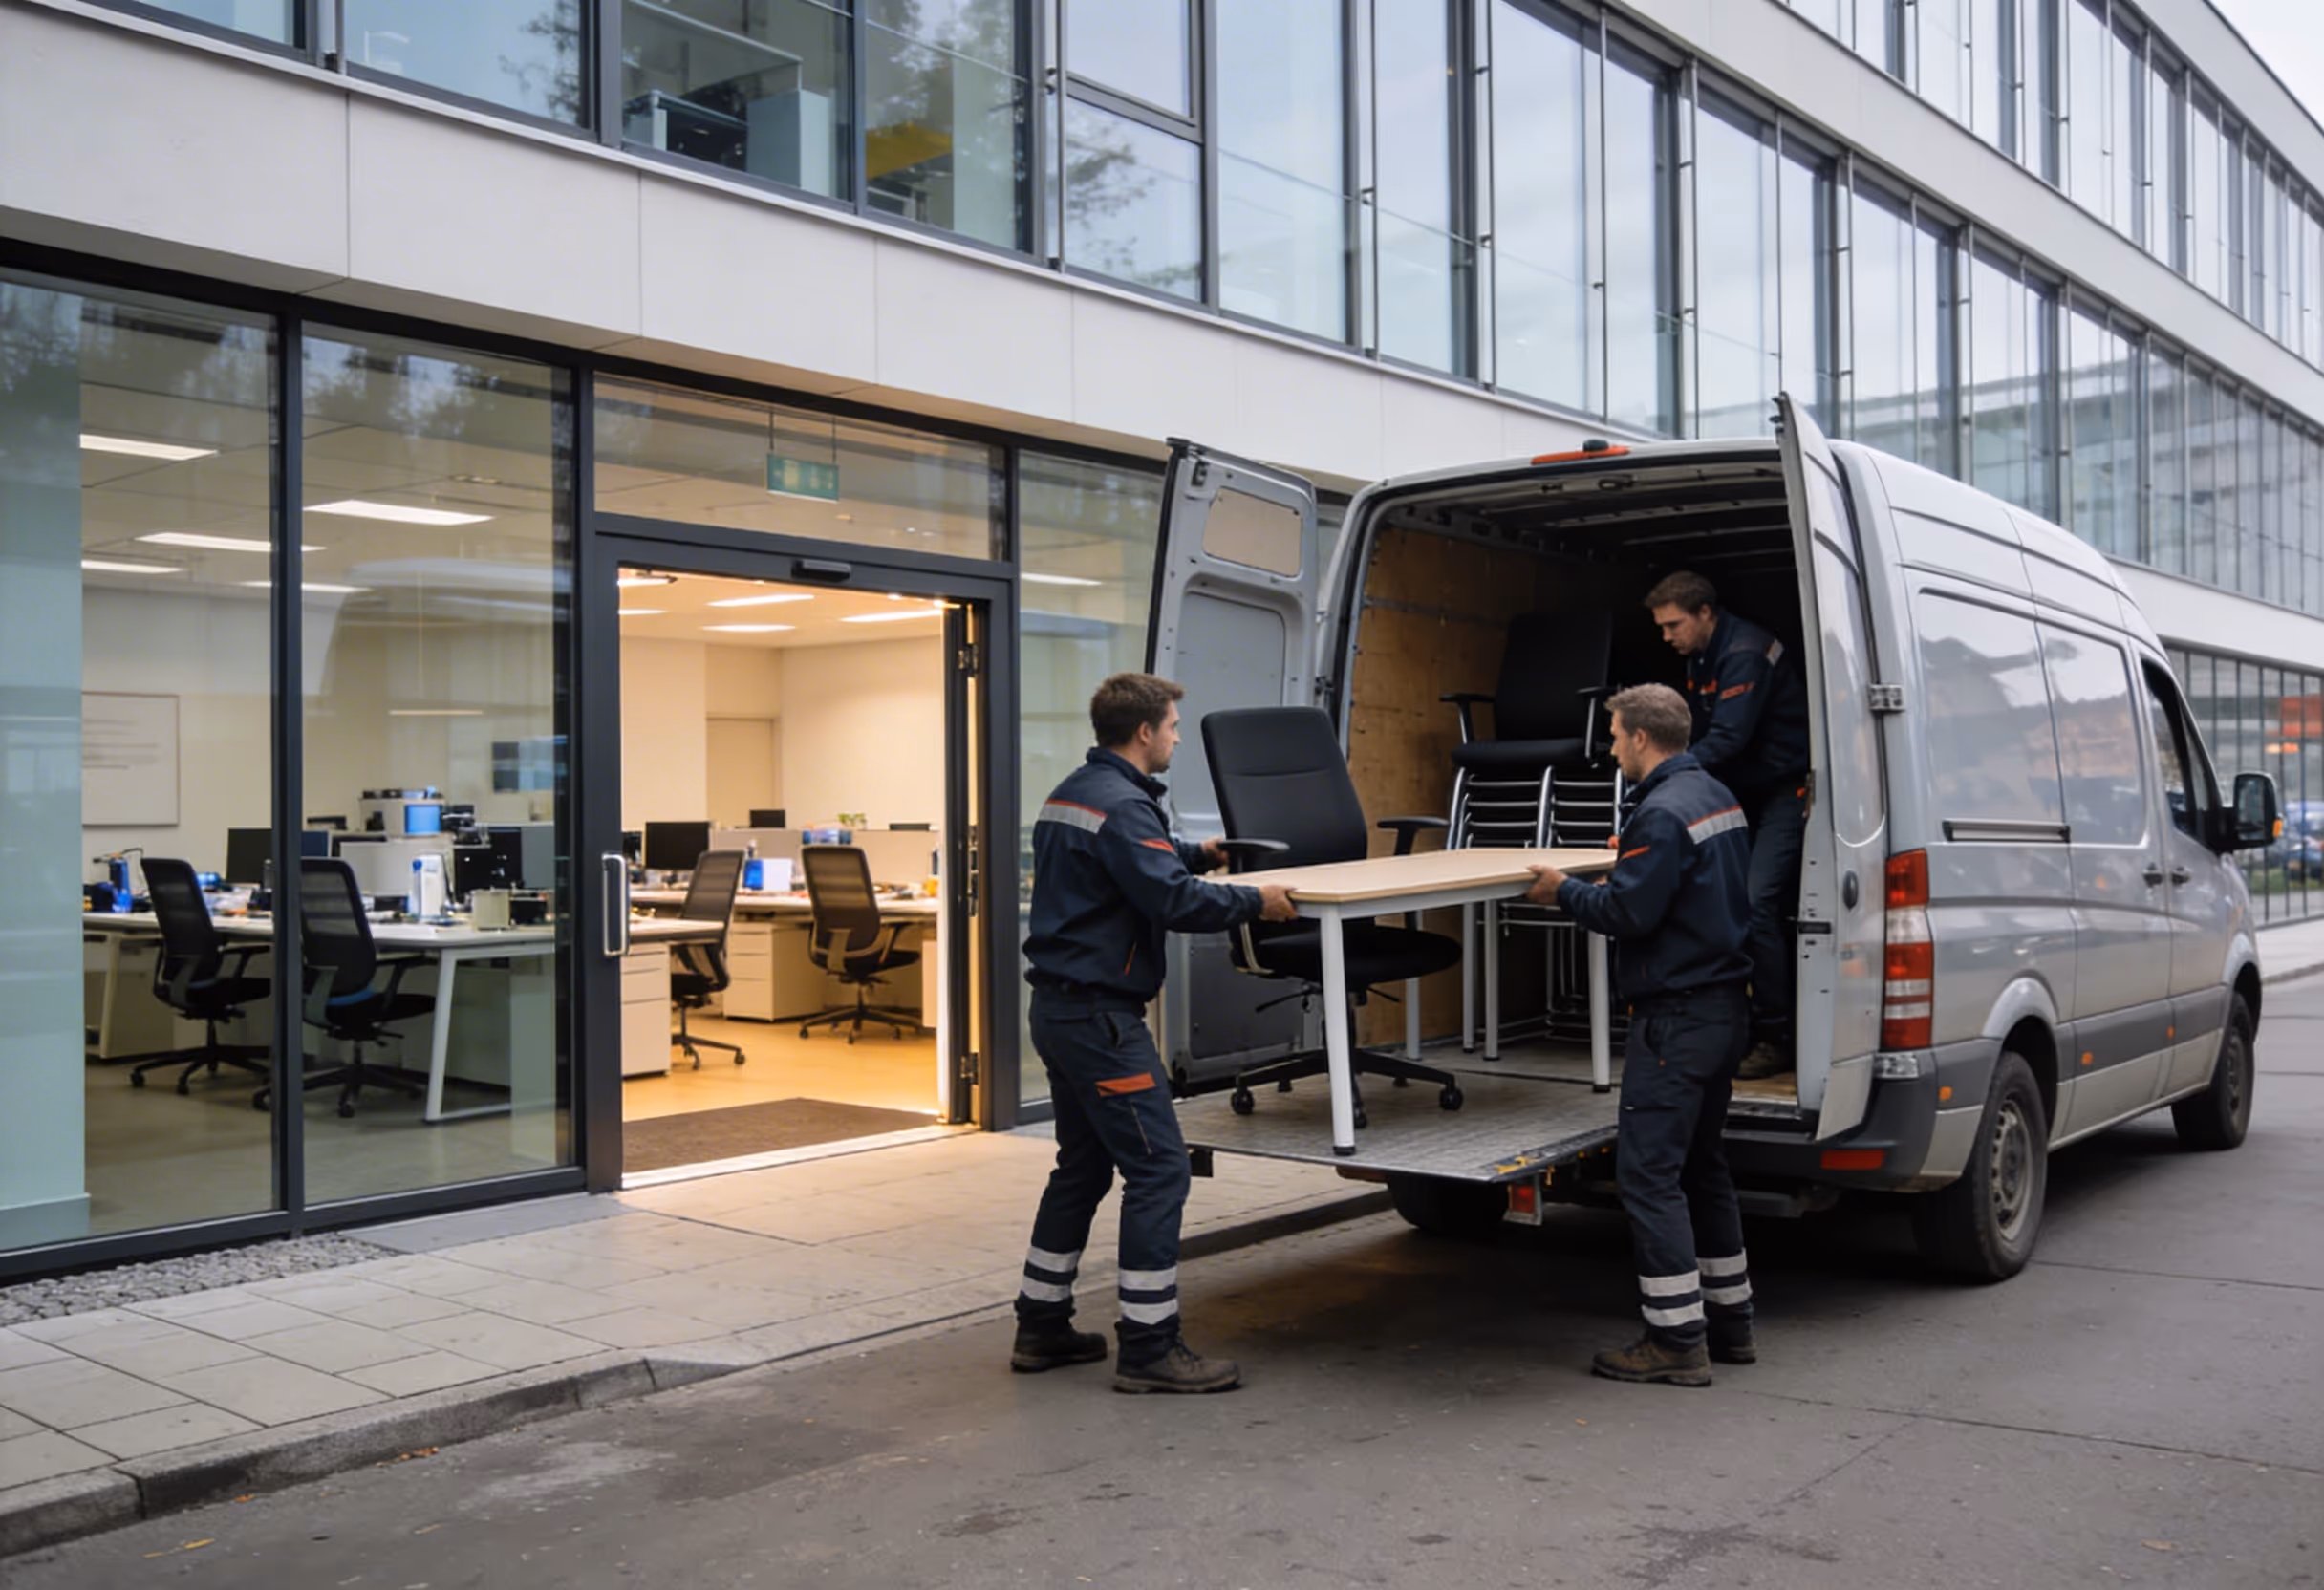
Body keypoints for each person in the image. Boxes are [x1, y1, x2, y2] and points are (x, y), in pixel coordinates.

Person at [1013, 671, 1298, 1394]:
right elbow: (1172, 902)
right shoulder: (1123, 805)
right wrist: (1255, 901)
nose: (1176, 738)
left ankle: (1040, 1325)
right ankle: (1148, 1345)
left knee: (1081, 1169)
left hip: (1060, 1011)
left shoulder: (1077, 793)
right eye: (1172, 727)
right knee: (1160, 1170)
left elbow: (1128, 869)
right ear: (1144, 732)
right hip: (1101, 1021)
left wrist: (1200, 855)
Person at [1525, 683, 1756, 1386]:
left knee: (1649, 1176)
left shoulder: (1658, 812)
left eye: (1616, 734)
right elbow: (1686, 888)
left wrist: (1562, 890)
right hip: (1723, 1011)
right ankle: (1731, 1324)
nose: (1612, 746)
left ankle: (1676, 1341)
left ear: (1642, 738)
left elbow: (1628, 915)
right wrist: (1631, 863)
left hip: (1676, 1021)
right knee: (1702, 1168)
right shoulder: (1715, 795)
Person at [1643, 570, 1812, 1081]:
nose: (1665, 636)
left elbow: (1727, 740)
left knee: (1757, 907)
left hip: (1783, 789)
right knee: (1714, 900)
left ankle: (1776, 1036)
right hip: (1743, 788)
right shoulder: (1701, 654)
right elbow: (1702, 735)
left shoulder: (1743, 652)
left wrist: (1664, 776)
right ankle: (1726, 1026)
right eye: (1661, 627)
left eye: (1673, 625)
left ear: (1705, 613)